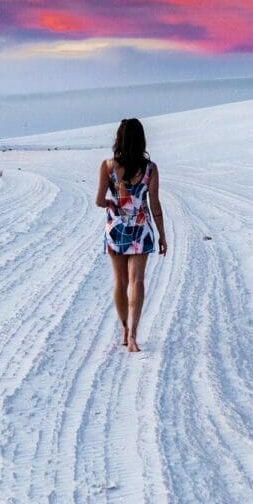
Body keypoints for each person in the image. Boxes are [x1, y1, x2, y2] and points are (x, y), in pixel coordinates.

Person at [96, 117, 167, 352]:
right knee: (137, 281)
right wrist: (162, 235)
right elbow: (154, 204)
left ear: (119, 139)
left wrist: (111, 202)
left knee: (120, 281)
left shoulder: (108, 166)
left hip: (116, 229)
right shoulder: (150, 169)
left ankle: (124, 329)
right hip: (141, 228)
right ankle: (134, 334)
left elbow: (99, 201)